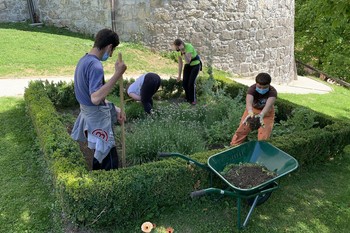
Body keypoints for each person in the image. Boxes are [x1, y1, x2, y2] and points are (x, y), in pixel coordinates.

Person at [71, 28, 127, 171]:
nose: (111, 53)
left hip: (89, 115)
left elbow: (91, 96)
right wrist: (117, 74)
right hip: (97, 119)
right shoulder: (96, 66)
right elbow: (95, 98)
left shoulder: (83, 60)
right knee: (109, 158)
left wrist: (115, 109)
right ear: (109, 47)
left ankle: (97, 180)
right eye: (112, 50)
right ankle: (107, 187)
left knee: (100, 154)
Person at [230, 73, 277, 146]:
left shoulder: (272, 92)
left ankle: (261, 149)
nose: (261, 89)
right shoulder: (252, 89)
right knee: (242, 129)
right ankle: (233, 146)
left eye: (264, 87)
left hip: (266, 113)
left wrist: (261, 115)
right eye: (259, 87)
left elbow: (268, 106)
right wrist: (250, 112)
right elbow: (249, 102)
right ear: (256, 84)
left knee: (264, 133)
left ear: (269, 85)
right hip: (252, 110)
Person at [173, 39, 202, 105]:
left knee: (191, 83)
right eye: (176, 47)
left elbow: (188, 60)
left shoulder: (189, 47)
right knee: (185, 83)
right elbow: (180, 64)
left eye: (177, 47)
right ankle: (187, 98)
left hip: (195, 65)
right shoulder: (178, 51)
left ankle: (193, 100)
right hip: (188, 66)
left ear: (180, 45)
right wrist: (179, 76)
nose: (176, 49)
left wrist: (183, 51)